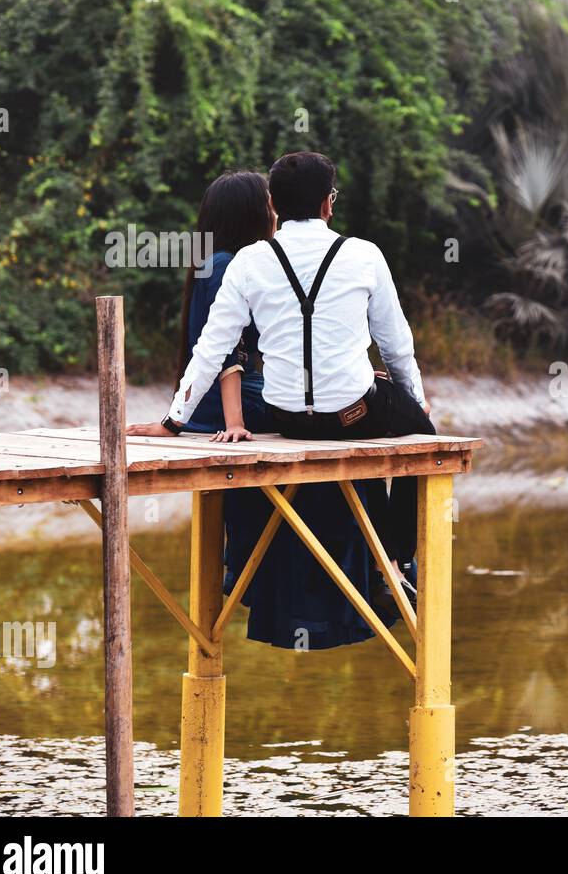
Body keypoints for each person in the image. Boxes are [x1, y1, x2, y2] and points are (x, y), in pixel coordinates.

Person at [128, 170, 406, 649]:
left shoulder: (232, 262)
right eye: (269, 208)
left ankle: (365, 569)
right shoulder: (227, 265)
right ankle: (382, 566)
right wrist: (231, 422)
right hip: (226, 400)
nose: (276, 216)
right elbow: (226, 352)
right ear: (256, 212)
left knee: (331, 430)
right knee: (340, 434)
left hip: (224, 395)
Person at [157, 152, 436, 583]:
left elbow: (211, 348)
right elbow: (396, 346)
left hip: (284, 418)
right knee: (422, 435)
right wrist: (414, 402)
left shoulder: (248, 261)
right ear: (328, 204)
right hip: (351, 415)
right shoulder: (363, 254)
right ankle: (395, 559)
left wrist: (174, 422)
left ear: (274, 203)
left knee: (371, 400)